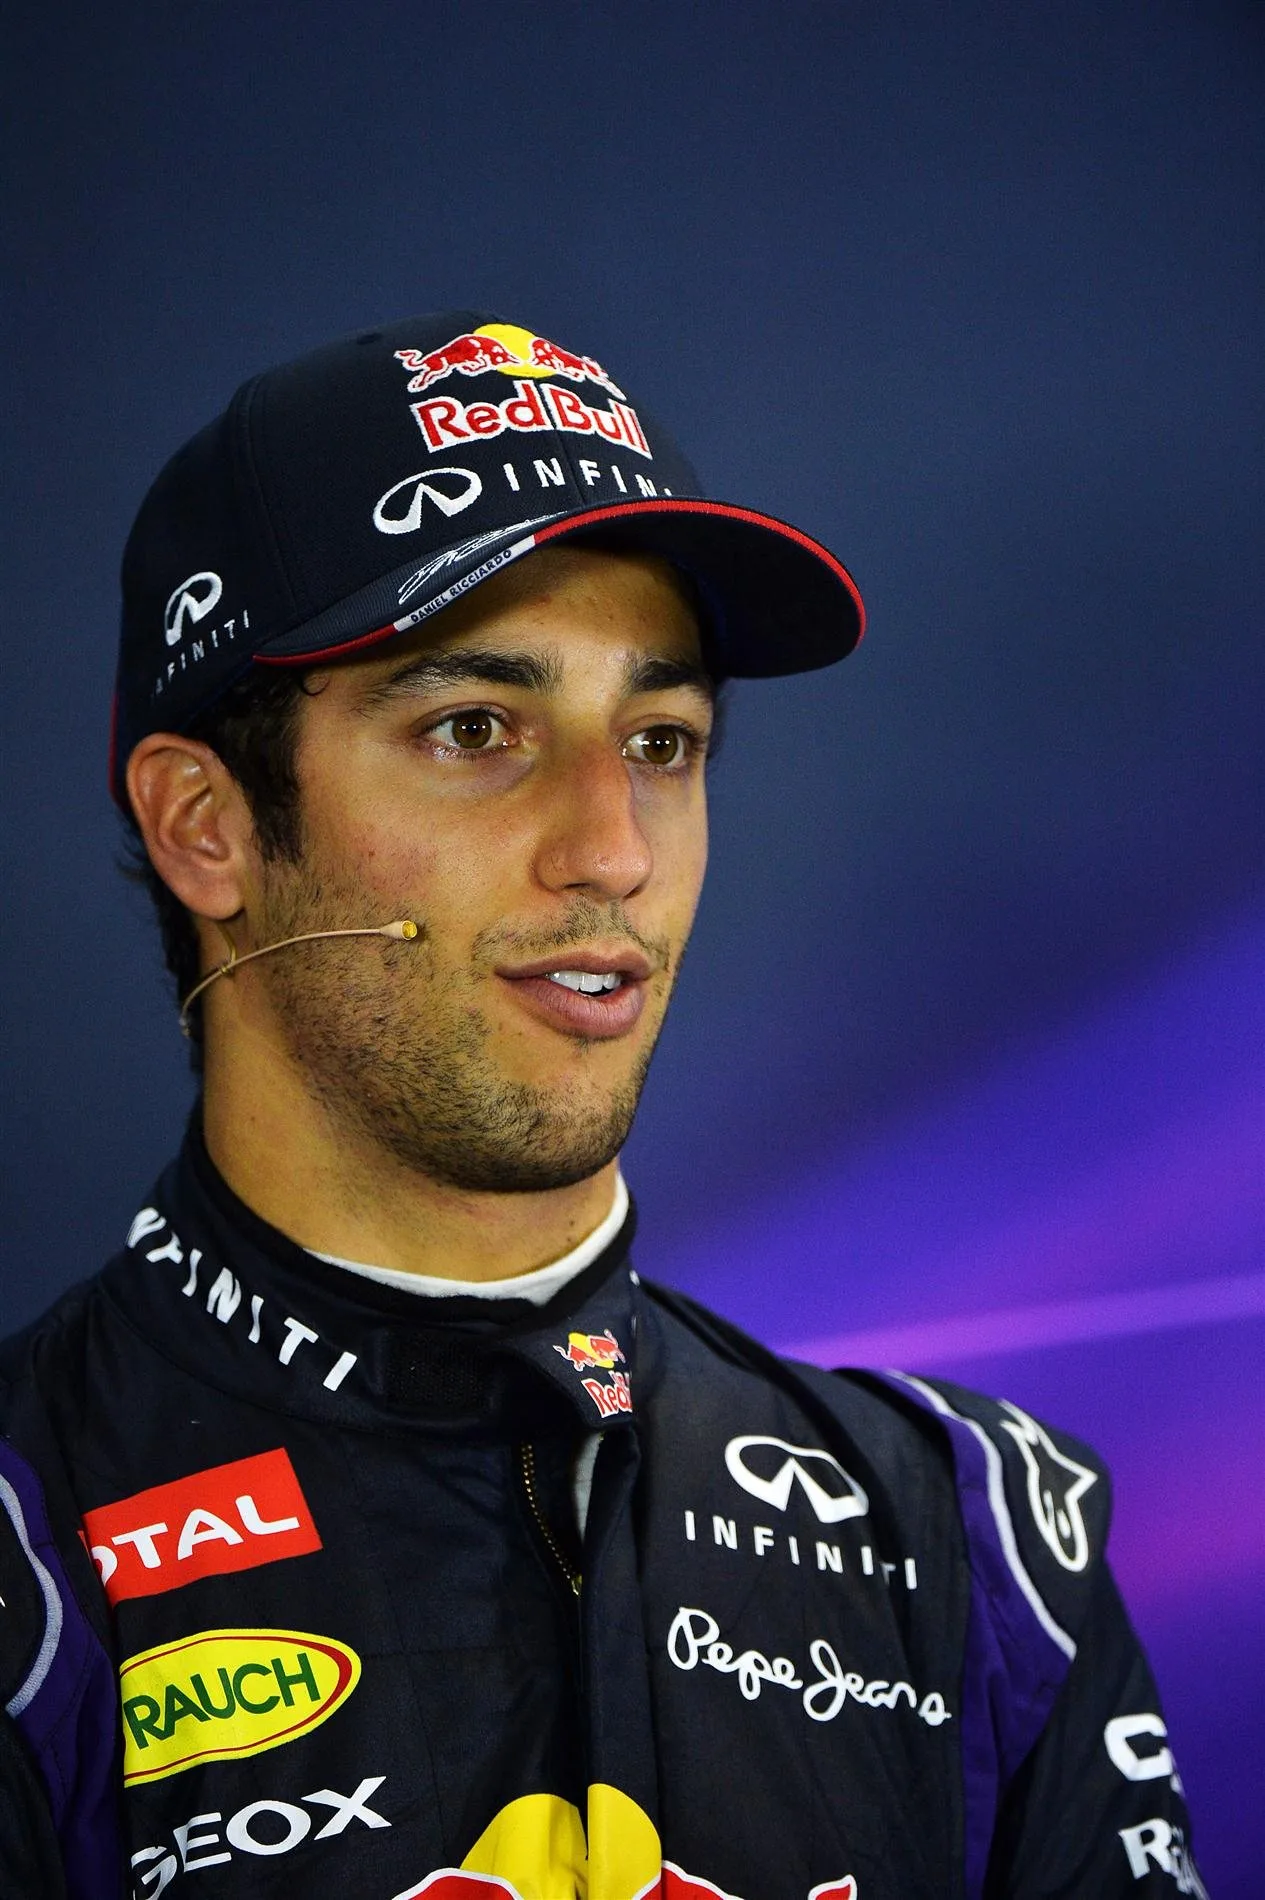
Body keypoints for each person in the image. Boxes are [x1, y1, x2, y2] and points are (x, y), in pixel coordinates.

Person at [0, 313, 1204, 1900]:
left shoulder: (974, 1541)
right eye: (475, 730)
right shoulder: (29, 1555)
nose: (614, 849)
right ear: (204, 828)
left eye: (660, 740)